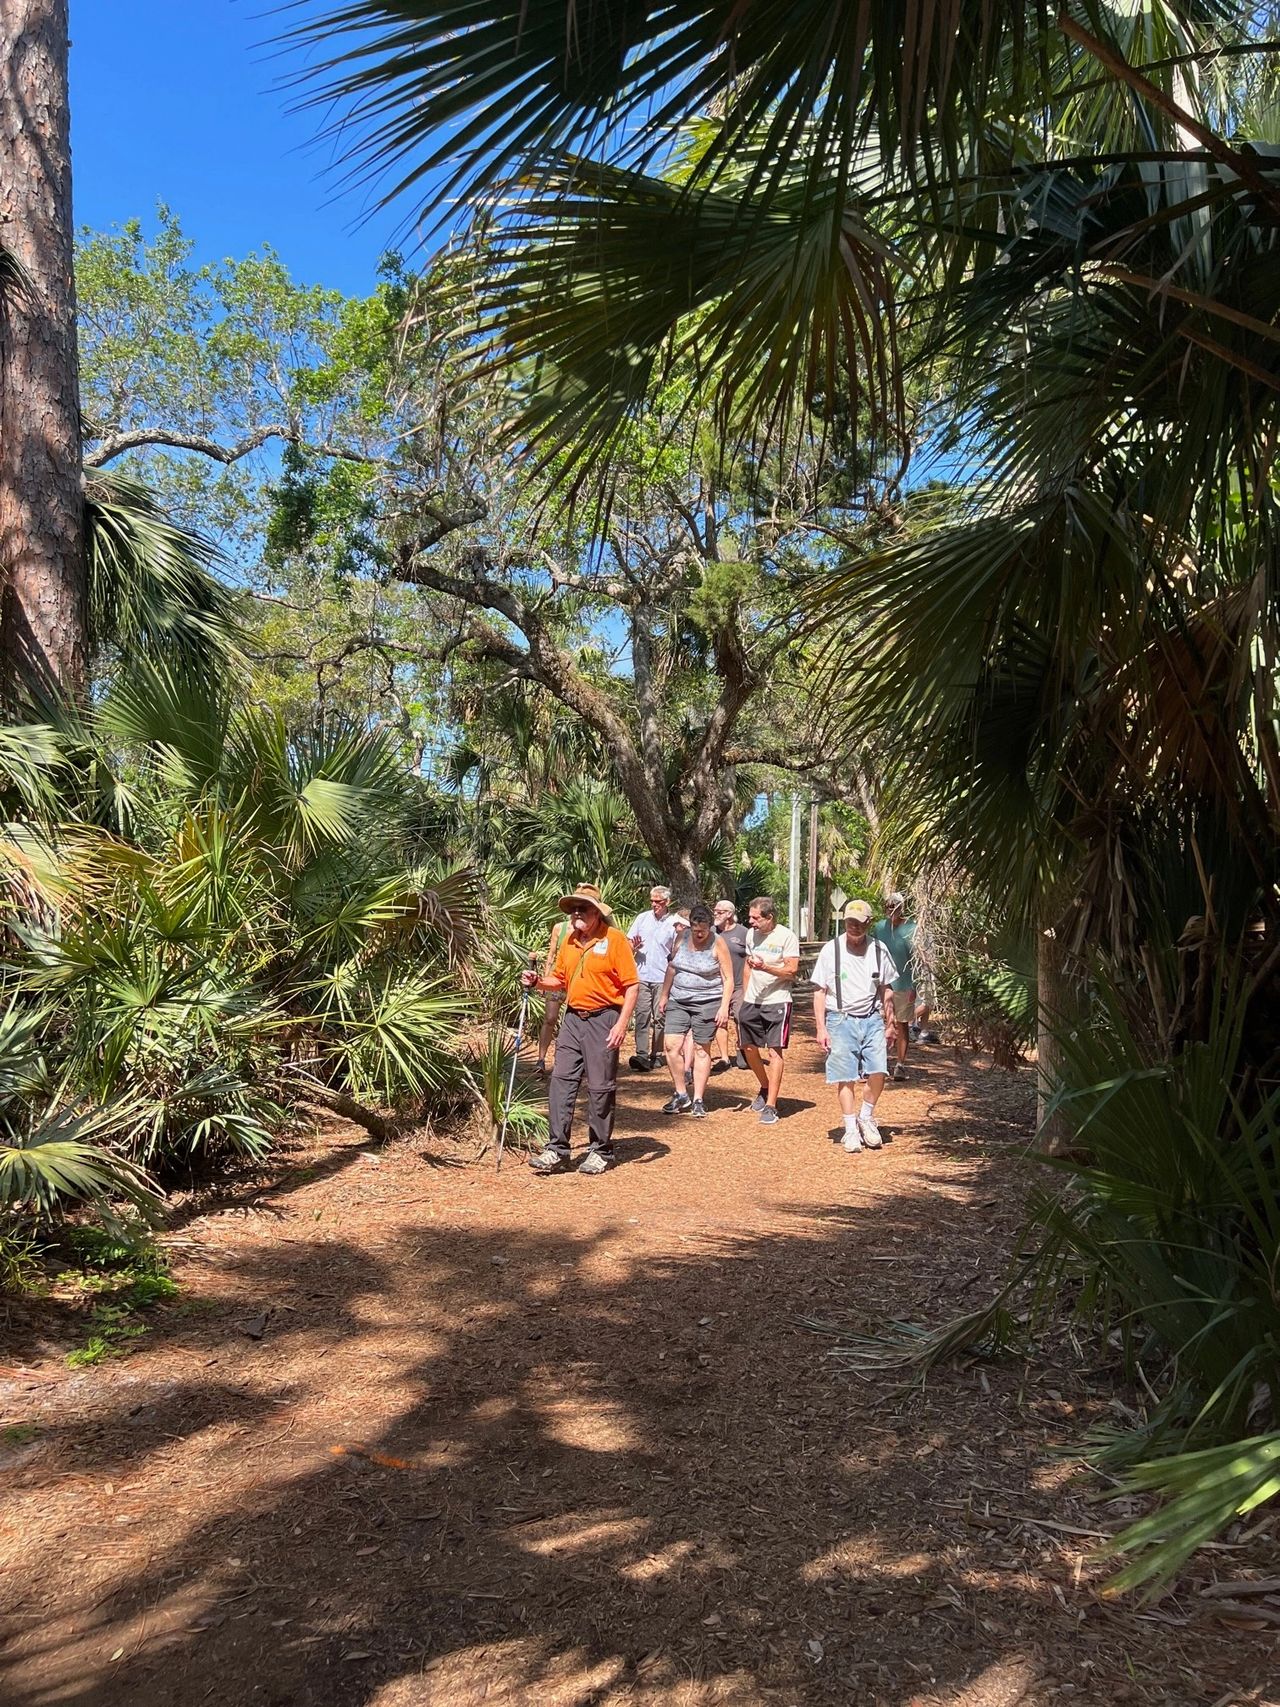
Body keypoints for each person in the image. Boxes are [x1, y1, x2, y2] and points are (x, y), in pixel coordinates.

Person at [522, 884, 639, 1175]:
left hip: (605, 1018)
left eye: (583, 908)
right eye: (573, 909)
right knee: (561, 1082)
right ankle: (557, 1149)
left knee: (600, 1086)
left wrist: (622, 1024)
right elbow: (559, 979)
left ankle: (601, 1150)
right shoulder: (570, 941)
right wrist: (537, 982)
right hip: (573, 1019)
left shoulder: (615, 940)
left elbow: (632, 985)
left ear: (597, 912)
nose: (577, 913)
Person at [811, 899, 898, 1152]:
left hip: (872, 1018)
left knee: (879, 1070)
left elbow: (887, 989)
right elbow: (819, 991)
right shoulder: (831, 950)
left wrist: (890, 1024)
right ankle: (850, 1128)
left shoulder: (879, 951)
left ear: (868, 923)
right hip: (840, 1018)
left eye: (859, 923)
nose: (854, 928)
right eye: (850, 922)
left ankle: (867, 1117)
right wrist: (821, 1028)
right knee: (845, 1075)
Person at [656, 903, 734, 1116]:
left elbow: (728, 979)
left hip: (707, 1001)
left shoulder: (718, 943)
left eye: (703, 930)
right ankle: (681, 1093)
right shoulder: (682, 938)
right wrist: (664, 995)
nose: (699, 934)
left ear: (710, 926)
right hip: (679, 999)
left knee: (701, 1048)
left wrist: (724, 1007)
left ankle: (698, 1098)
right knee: (671, 1046)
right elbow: (672, 968)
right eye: (695, 929)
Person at [739, 896, 801, 1125]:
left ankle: (771, 1105)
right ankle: (765, 1086)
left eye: (755, 918)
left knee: (774, 1052)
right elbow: (747, 966)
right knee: (748, 1048)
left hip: (778, 1000)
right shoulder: (750, 934)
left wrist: (766, 967)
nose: (751, 921)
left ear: (769, 917)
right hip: (752, 1000)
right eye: (750, 917)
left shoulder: (786, 936)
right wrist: (745, 997)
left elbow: (791, 972)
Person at [626, 885, 677, 1070]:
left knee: (660, 1017)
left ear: (667, 902)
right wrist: (634, 947)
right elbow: (629, 942)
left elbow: (676, 950)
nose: (654, 904)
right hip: (642, 974)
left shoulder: (674, 922)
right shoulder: (642, 918)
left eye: (658, 901)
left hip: (662, 977)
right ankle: (641, 1055)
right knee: (642, 1015)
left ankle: (656, 1054)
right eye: (652, 901)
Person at [873, 891, 917, 1080]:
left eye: (895, 905)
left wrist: (915, 986)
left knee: (902, 1024)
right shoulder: (879, 928)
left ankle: (900, 1064)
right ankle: (876, 1063)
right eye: (889, 905)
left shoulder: (912, 929)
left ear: (902, 907)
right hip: (879, 984)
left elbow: (917, 960)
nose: (892, 909)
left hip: (903, 984)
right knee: (876, 1024)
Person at [712, 898, 750, 1070]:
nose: (715, 914)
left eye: (719, 912)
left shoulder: (743, 933)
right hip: (717, 985)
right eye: (715, 911)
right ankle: (724, 1058)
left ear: (729, 914)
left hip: (739, 985)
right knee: (720, 1020)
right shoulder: (711, 932)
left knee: (741, 1018)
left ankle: (743, 1050)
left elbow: (750, 958)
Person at [535, 913, 571, 1075]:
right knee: (550, 1019)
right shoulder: (559, 928)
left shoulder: (589, 930)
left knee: (569, 1022)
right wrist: (544, 980)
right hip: (557, 980)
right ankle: (541, 1060)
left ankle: (564, 1061)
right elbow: (551, 955)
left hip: (576, 981)